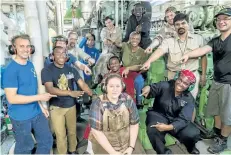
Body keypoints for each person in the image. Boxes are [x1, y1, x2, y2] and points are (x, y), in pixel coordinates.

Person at [181, 8, 231, 154]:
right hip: (216, 81)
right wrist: (188, 54)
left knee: (227, 115)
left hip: (229, 84)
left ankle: (223, 140)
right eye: (219, 19)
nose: (221, 22)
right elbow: (203, 50)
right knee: (216, 111)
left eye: (226, 19)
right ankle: (216, 134)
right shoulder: (216, 41)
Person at [2, 34, 54, 154]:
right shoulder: (10, 70)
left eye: (28, 46)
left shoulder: (30, 65)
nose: (26, 49)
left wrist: (41, 106)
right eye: (22, 46)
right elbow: (12, 98)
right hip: (20, 117)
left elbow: (32, 90)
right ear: (13, 48)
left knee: (46, 140)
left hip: (36, 112)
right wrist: (40, 97)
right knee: (25, 147)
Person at [141, 13, 207, 99]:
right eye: (177, 24)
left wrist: (203, 75)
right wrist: (149, 61)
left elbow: (203, 57)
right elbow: (160, 50)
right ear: (174, 26)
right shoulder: (169, 41)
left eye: (183, 23)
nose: (180, 26)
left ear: (188, 24)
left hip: (192, 76)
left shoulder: (198, 39)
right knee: (172, 103)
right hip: (174, 77)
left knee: (190, 104)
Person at [41, 46, 92, 154]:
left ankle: (72, 150)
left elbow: (81, 83)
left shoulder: (71, 69)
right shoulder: (47, 70)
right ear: (52, 56)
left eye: (64, 53)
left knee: (72, 132)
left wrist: (91, 93)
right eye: (58, 53)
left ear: (67, 56)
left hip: (71, 106)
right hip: (56, 107)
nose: (61, 55)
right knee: (61, 135)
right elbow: (50, 89)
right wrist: (70, 92)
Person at [142, 70, 200, 154]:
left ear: (189, 86)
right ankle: (164, 152)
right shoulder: (165, 85)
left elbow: (184, 119)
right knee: (153, 129)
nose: (180, 84)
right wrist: (148, 88)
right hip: (159, 115)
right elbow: (153, 88)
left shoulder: (189, 99)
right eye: (180, 80)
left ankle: (190, 147)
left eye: (185, 83)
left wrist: (168, 127)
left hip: (176, 120)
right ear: (176, 78)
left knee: (193, 133)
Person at [88, 73, 145, 154]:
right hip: (104, 145)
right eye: (111, 86)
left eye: (118, 86)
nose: (115, 89)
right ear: (105, 88)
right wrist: (113, 152)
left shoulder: (127, 99)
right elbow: (96, 132)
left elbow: (134, 124)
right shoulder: (98, 104)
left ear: (122, 87)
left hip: (126, 142)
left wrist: (131, 147)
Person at [93, 16, 122, 83]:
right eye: (106, 23)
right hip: (105, 52)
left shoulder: (118, 30)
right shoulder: (104, 30)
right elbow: (105, 41)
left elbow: (118, 42)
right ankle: (97, 80)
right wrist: (113, 41)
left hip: (115, 52)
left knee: (105, 63)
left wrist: (111, 40)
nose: (108, 24)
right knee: (97, 65)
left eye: (109, 22)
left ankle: (105, 80)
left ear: (113, 22)